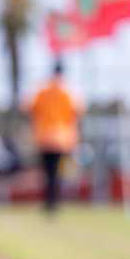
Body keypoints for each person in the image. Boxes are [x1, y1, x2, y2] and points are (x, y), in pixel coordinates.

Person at [24, 61, 83, 214]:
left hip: (43, 137)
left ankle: (49, 201)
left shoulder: (42, 89)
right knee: (56, 172)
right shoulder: (68, 90)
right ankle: (53, 201)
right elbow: (78, 111)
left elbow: (29, 107)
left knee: (47, 172)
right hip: (61, 138)